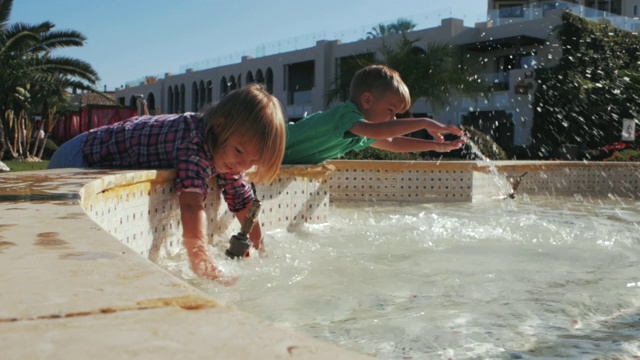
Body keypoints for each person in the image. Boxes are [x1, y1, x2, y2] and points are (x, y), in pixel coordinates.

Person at [48, 84, 287, 282]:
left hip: (88, 156)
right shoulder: (193, 143)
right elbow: (192, 204)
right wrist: (203, 263)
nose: (242, 165)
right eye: (239, 152)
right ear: (219, 125)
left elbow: (243, 200)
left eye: (252, 161)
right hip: (79, 156)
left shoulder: (226, 151)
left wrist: (259, 247)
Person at [283, 65, 466, 164]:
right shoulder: (347, 116)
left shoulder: (360, 132)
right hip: (271, 141)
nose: (393, 118)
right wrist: (424, 122)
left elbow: (393, 142)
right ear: (367, 101)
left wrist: (435, 146)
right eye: (390, 110)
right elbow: (380, 131)